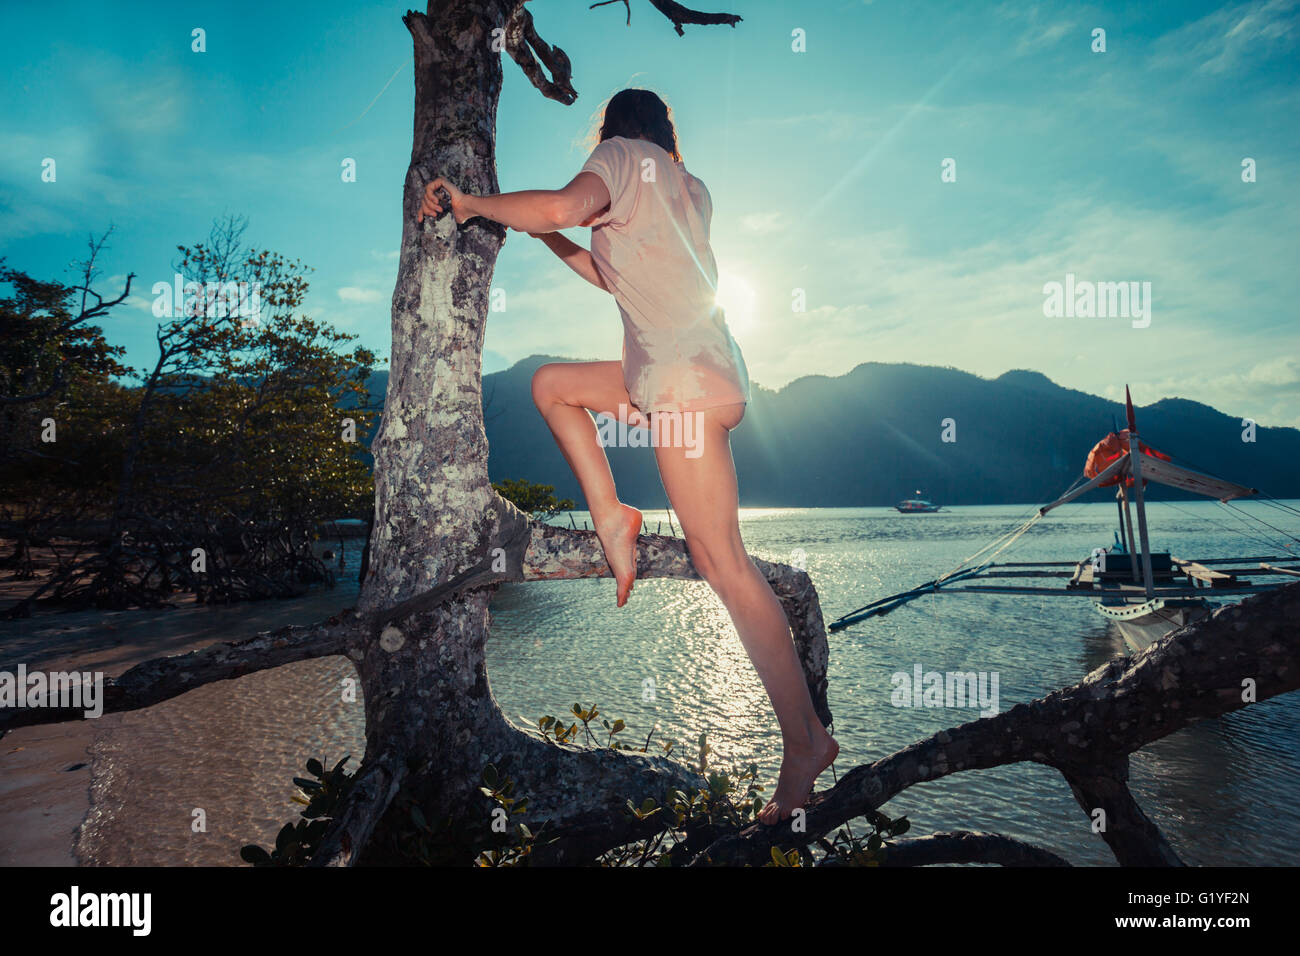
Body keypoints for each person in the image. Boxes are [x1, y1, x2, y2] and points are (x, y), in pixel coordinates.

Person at [416, 88, 837, 824]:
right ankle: (612, 515)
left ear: (612, 131)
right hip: (692, 374)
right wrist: (536, 233)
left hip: (680, 387)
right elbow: (606, 270)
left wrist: (471, 203)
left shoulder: (618, 158)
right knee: (553, 386)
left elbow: (560, 206)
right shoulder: (687, 190)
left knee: (725, 565)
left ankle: (805, 744)